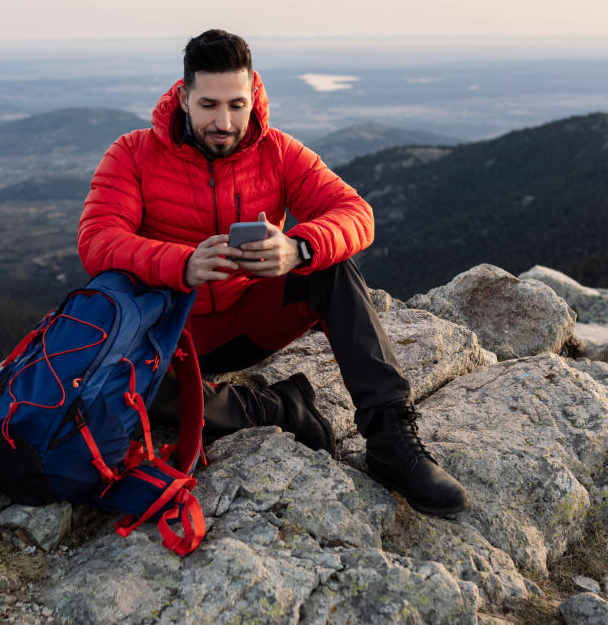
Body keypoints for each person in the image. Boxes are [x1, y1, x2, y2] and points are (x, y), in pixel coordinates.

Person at [77, 29, 469, 517]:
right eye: (208, 105)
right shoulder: (133, 154)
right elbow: (96, 240)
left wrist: (298, 248)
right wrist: (181, 263)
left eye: (237, 105)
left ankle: (389, 436)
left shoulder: (278, 152)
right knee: (109, 384)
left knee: (332, 269)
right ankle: (280, 409)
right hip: (170, 338)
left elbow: (356, 213)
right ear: (182, 97)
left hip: (251, 317)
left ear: (253, 93)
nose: (224, 122)